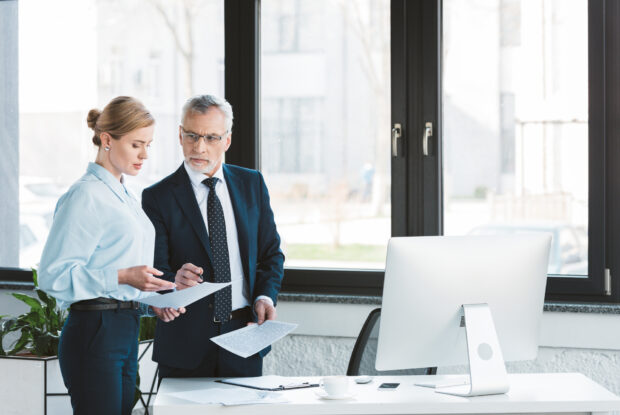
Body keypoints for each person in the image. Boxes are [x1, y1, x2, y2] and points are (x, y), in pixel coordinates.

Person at [39, 96, 185, 415]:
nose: (145, 154)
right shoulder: (85, 196)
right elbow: (53, 276)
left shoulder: (124, 195)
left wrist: (154, 301)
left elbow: (118, 269)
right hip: (95, 330)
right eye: (136, 144)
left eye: (148, 144)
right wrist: (122, 277)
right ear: (107, 139)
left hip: (124, 326)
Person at [141, 94, 284, 379]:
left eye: (211, 138)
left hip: (244, 337)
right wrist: (171, 284)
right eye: (192, 135)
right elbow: (153, 271)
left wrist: (265, 297)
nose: (199, 146)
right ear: (180, 135)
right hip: (185, 344)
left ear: (227, 140)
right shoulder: (157, 197)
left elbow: (271, 255)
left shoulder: (251, 184)